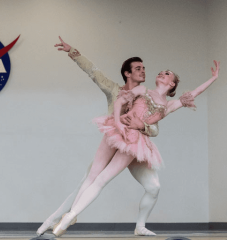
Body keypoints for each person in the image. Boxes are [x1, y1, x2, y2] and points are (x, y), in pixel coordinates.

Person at [51, 56, 220, 237]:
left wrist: (214, 78)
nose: (162, 73)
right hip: (118, 129)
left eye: (167, 73)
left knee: (106, 179)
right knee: (95, 175)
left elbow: (194, 93)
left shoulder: (169, 106)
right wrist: (118, 123)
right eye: (161, 72)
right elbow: (119, 102)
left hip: (135, 141)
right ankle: (70, 216)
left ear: (172, 84)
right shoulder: (142, 89)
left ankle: (72, 216)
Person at [36, 37, 161, 237]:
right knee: (87, 183)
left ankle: (140, 226)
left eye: (144, 67)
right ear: (127, 73)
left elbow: (155, 129)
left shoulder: (148, 97)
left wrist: (142, 125)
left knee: (154, 187)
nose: (143, 71)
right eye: (138, 68)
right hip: (114, 145)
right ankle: (52, 220)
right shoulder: (114, 89)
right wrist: (73, 52)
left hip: (135, 148)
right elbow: (93, 72)